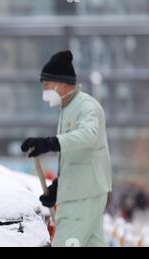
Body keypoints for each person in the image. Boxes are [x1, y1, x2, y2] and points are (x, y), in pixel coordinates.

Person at [21, 50, 112, 247]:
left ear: (60, 83)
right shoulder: (68, 109)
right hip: (83, 191)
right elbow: (76, 157)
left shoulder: (86, 106)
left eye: (46, 85)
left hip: (82, 194)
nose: (44, 92)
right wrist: (58, 187)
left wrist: (51, 143)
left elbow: (89, 135)